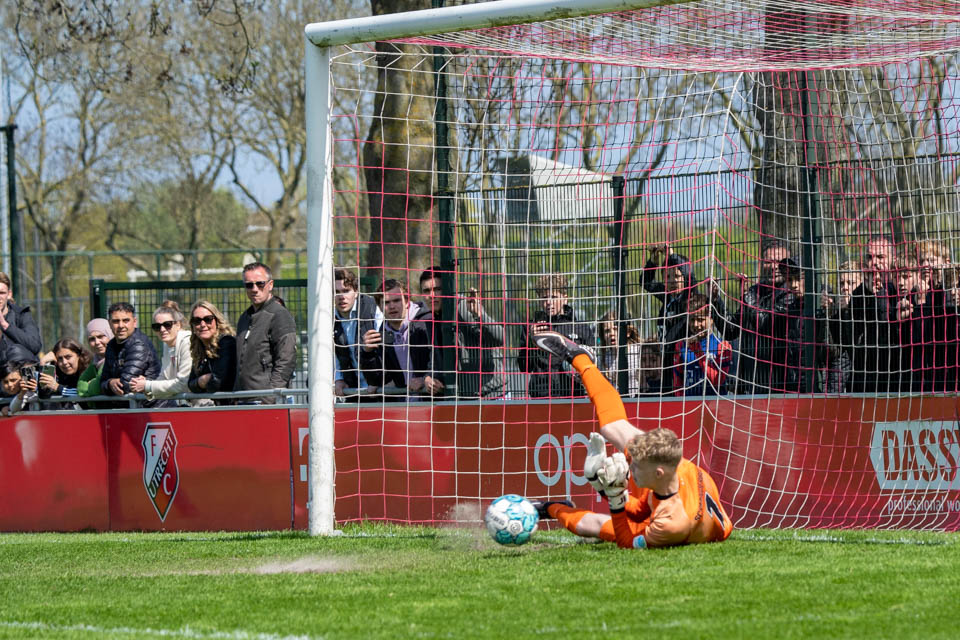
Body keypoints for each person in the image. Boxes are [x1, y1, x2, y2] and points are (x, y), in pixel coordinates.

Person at [529, 330, 733, 548]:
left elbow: (627, 542)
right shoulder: (673, 474)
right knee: (612, 427)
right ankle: (579, 357)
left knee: (599, 526)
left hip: (679, 520)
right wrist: (609, 491)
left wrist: (609, 492)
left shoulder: (672, 524)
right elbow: (641, 508)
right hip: (685, 494)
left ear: (658, 473)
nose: (629, 468)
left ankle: (549, 508)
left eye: (635, 466)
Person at [640, 245, 730, 394]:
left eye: (676, 276)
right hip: (667, 363)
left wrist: (671, 256)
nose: (672, 281)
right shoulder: (667, 296)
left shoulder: (690, 298)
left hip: (684, 361)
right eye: (667, 277)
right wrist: (653, 262)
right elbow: (646, 282)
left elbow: (691, 278)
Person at [418, 267, 506, 399]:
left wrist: (479, 315)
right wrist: (428, 378)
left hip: (493, 395)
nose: (432, 295)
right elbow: (436, 361)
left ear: (447, 289)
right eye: (426, 291)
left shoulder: (463, 308)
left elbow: (499, 339)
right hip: (465, 398)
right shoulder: (431, 318)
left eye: (437, 289)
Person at [728, 241, 792, 394]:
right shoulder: (755, 291)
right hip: (751, 379)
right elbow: (731, 330)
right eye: (769, 261)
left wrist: (745, 294)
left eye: (778, 261)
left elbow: (763, 323)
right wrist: (716, 300)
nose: (773, 266)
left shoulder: (790, 293)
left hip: (780, 382)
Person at [517, 274, 595, 398]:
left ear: (565, 298)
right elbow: (524, 367)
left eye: (553, 297)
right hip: (541, 395)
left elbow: (593, 362)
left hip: (574, 395)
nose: (548, 302)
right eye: (544, 298)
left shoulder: (581, 328)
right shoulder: (531, 327)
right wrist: (531, 341)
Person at [843, 235, 901, 393]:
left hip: (897, 380)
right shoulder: (858, 294)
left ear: (893, 259)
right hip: (864, 382)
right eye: (870, 257)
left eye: (881, 257)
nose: (874, 262)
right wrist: (869, 292)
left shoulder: (901, 290)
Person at [235, 262, 298, 403]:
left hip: (266, 401)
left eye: (260, 284)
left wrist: (270, 397)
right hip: (242, 399)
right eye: (249, 285)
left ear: (270, 285)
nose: (254, 289)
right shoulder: (244, 318)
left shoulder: (280, 315)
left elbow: (286, 360)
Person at [359, 278, 432, 398]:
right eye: (386, 303)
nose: (392, 306)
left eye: (397, 300)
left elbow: (442, 359)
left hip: (434, 400)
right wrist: (367, 353)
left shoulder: (427, 322)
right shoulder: (382, 333)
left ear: (407, 301)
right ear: (380, 307)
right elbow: (377, 380)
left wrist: (425, 377)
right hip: (403, 406)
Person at [128, 301, 193, 406]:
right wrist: (144, 385)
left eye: (167, 325)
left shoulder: (187, 342)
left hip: (203, 407)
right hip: (184, 407)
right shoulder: (167, 345)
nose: (162, 330)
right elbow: (164, 379)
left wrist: (148, 385)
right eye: (157, 326)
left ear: (178, 325)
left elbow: (183, 384)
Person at [333, 267, 384, 399]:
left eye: (346, 291)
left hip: (381, 386)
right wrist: (338, 379)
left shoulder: (374, 308)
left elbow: (386, 350)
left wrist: (377, 381)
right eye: (336, 292)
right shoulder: (328, 319)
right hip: (352, 390)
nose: (341, 296)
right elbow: (332, 354)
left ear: (356, 292)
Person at [671, 292, 733, 396]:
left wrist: (698, 352)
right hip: (688, 408)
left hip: (715, 408)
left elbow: (717, 381)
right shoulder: (681, 345)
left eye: (700, 320)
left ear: (711, 319)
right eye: (692, 320)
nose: (696, 325)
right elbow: (678, 384)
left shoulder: (722, 346)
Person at [101, 302, 162, 404]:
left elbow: (125, 385)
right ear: (109, 323)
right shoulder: (111, 345)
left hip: (153, 409)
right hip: (132, 409)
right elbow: (102, 382)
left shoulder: (138, 344)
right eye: (116, 321)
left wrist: (109, 384)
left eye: (126, 320)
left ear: (134, 322)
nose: (121, 325)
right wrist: (110, 383)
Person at [188, 300, 237, 405]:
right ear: (192, 325)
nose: (202, 324)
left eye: (208, 319)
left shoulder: (227, 342)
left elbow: (218, 383)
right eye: (197, 320)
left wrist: (200, 383)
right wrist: (203, 380)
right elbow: (190, 385)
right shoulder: (199, 349)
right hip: (213, 409)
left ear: (217, 321)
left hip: (231, 408)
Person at [0, 271, 42, 366]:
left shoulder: (21, 315)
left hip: (18, 372)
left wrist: (5, 325)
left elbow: (35, 346)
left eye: (2, 293)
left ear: (9, 294)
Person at [37, 338, 92, 408]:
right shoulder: (59, 373)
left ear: (79, 355)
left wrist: (58, 387)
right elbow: (43, 396)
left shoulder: (90, 370)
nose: (64, 362)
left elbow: (84, 393)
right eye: (60, 359)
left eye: (68, 357)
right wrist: (42, 363)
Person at [597, 311, 641, 396]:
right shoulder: (602, 360)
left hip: (635, 402)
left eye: (615, 329)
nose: (611, 334)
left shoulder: (639, 352)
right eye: (607, 331)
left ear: (627, 332)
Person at [77, 318, 113, 399]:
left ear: (110, 335)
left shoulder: (115, 357)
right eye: (92, 339)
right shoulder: (95, 361)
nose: (97, 342)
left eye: (101, 336)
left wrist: (90, 385)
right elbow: (80, 386)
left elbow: (98, 387)